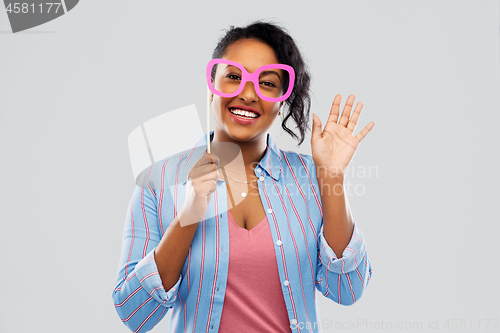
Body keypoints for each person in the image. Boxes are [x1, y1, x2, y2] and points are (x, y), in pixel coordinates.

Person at [112, 21, 375, 333]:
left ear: (281, 102)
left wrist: (332, 177)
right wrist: (190, 213)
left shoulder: (310, 177)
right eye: (234, 77)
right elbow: (134, 312)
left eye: (267, 83)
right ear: (212, 86)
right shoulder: (159, 182)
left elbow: (348, 289)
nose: (248, 94)